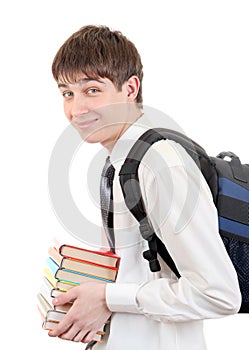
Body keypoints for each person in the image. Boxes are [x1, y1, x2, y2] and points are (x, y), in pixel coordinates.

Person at [48, 25, 241, 349]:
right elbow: (136, 275)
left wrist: (109, 297)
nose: (76, 109)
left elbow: (218, 293)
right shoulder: (116, 164)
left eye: (92, 90)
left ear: (130, 88)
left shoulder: (163, 165)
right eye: (67, 93)